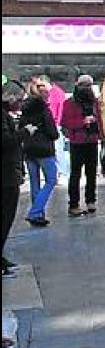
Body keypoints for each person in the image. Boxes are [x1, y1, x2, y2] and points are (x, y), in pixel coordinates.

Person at [59, 75, 102, 218]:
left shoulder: (94, 102)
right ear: (77, 86)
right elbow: (65, 122)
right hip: (77, 141)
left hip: (92, 140)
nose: (87, 88)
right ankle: (74, 204)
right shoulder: (69, 103)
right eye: (84, 85)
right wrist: (82, 122)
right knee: (75, 174)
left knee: (91, 173)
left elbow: (100, 118)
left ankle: (91, 201)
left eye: (89, 85)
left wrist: (101, 132)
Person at [19, 77, 58, 228]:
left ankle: (38, 214)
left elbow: (21, 128)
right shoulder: (44, 110)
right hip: (44, 149)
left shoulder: (25, 110)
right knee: (51, 180)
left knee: (34, 182)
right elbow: (53, 133)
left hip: (28, 148)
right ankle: (35, 212)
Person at [2, 83, 26, 277]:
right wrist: (25, 132)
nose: (20, 104)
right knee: (5, 217)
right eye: (19, 100)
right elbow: (6, 142)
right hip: (6, 176)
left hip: (10, 173)